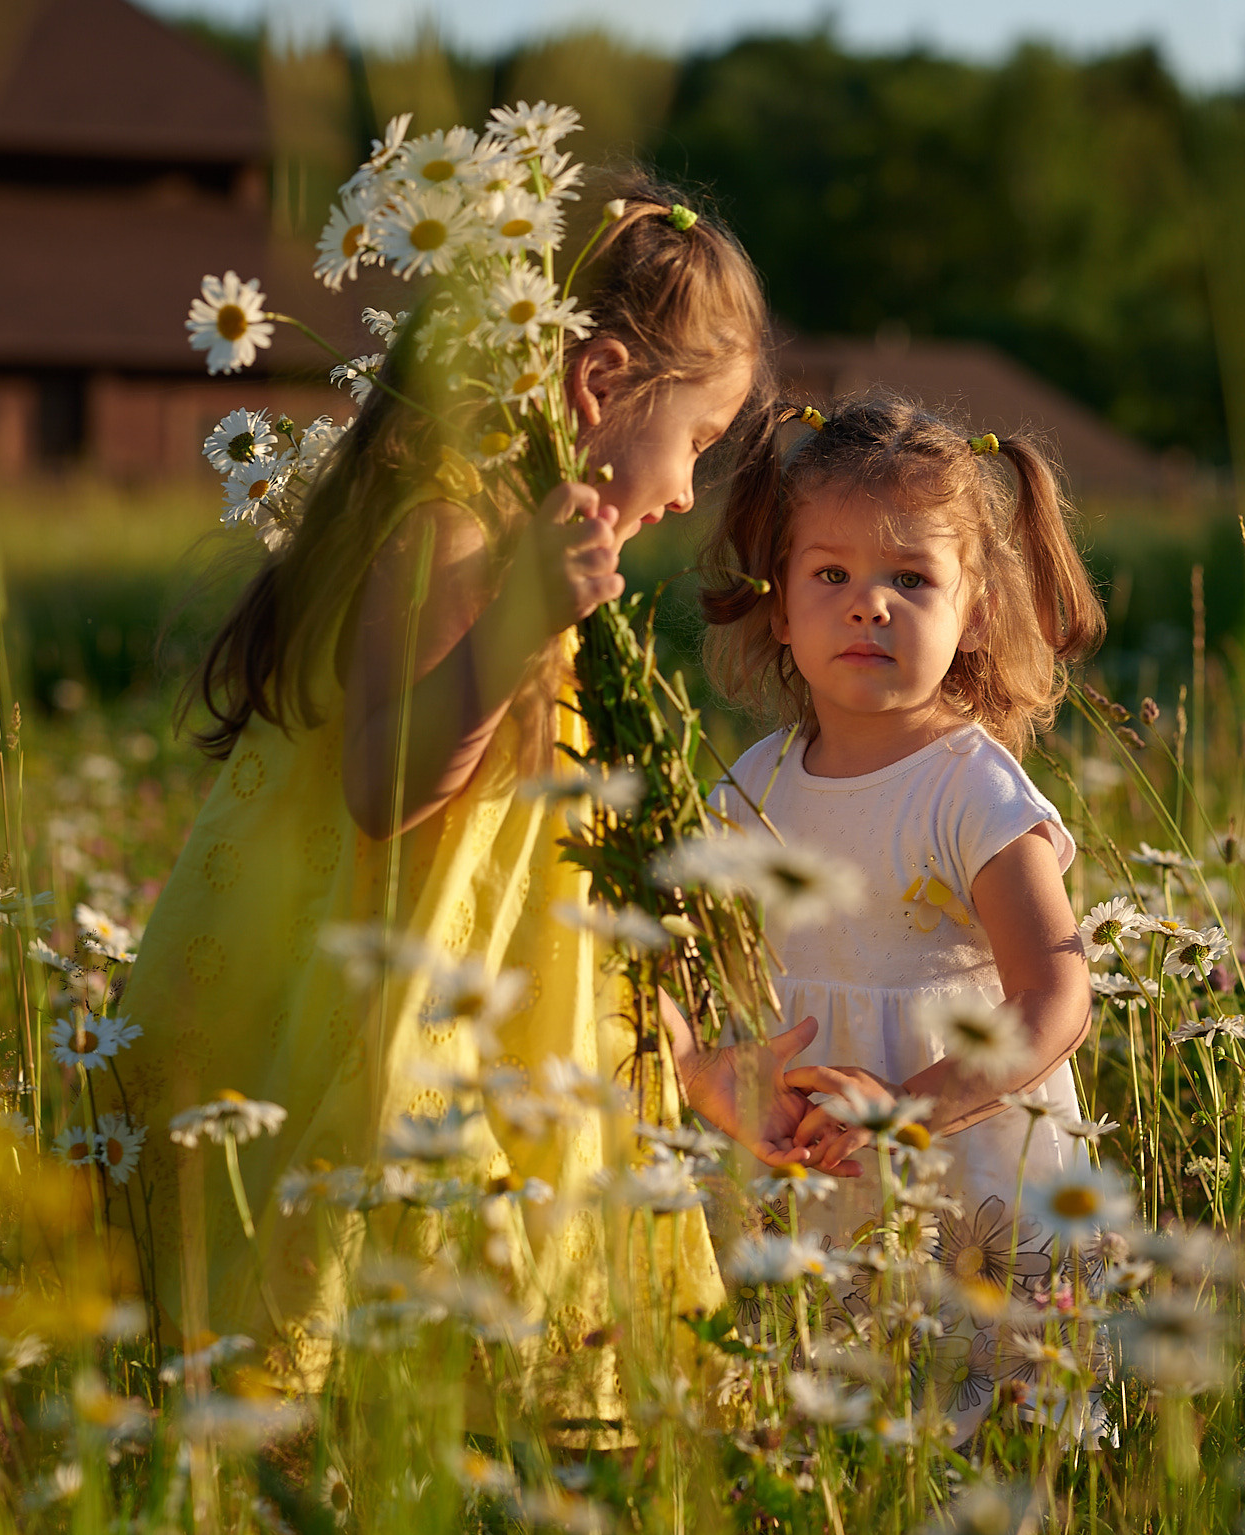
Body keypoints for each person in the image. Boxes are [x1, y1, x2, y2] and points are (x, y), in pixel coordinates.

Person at [114, 178, 828, 1421]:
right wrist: (520, 621)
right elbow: (386, 787)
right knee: (394, 1353)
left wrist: (681, 1066)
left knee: (506, 1359)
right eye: (698, 444)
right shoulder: (450, 517)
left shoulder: (519, 533)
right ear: (598, 383)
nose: (680, 495)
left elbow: (562, 884)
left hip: (515, 1032)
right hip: (409, 1028)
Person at [697, 390, 1106, 1423]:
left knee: (990, 1437)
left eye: (910, 579)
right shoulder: (751, 787)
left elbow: (1055, 995)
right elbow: (695, 971)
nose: (868, 604)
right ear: (778, 604)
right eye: (830, 574)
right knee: (827, 1431)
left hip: (961, 1167)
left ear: (973, 609)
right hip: (809, 1165)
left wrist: (908, 1114)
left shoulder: (969, 788)